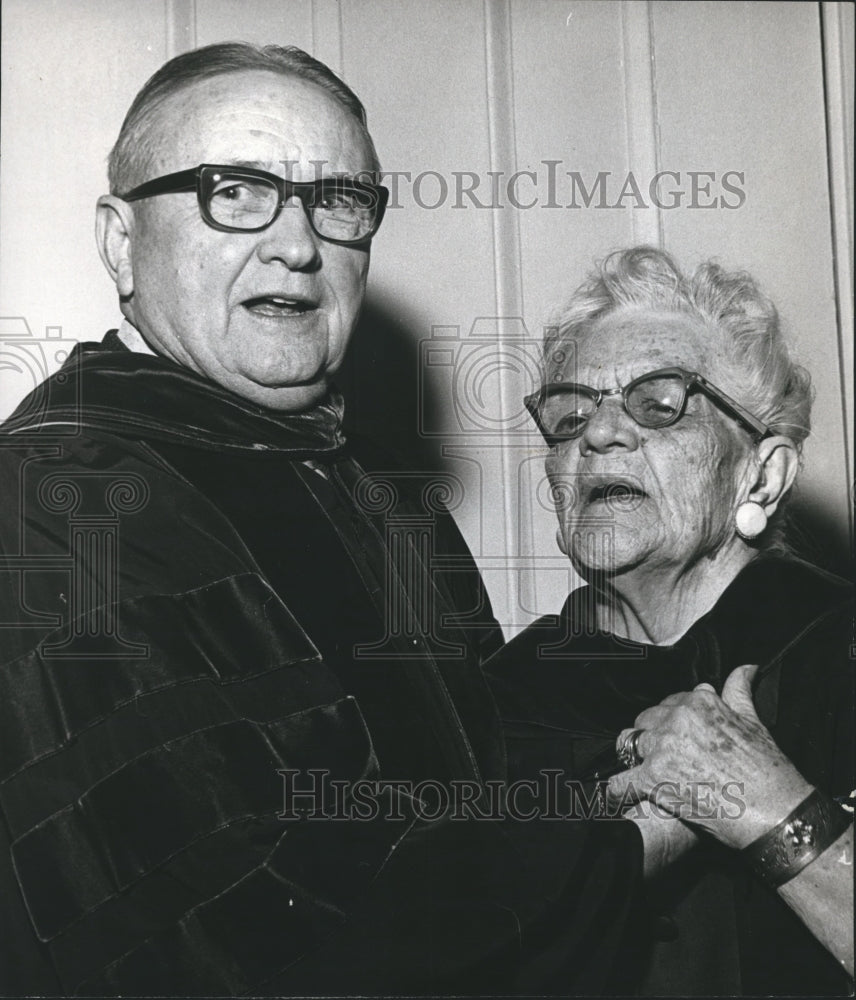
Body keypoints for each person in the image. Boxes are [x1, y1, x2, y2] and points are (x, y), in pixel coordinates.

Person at [0, 42, 645, 996]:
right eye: (235, 190)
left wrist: (637, 688)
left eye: (337, 200)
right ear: (119, 242)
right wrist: (645, 839)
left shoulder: (365, 484)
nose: (298, 245)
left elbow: (462, 762)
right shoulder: (54, 505)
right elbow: (235, 934)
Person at [487, 245, 854, 996]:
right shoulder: (493, 702)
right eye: (571, 413)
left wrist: (767, 805)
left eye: (661, 402)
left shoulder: (836, 648)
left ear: (762, 473)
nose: (599, 435)